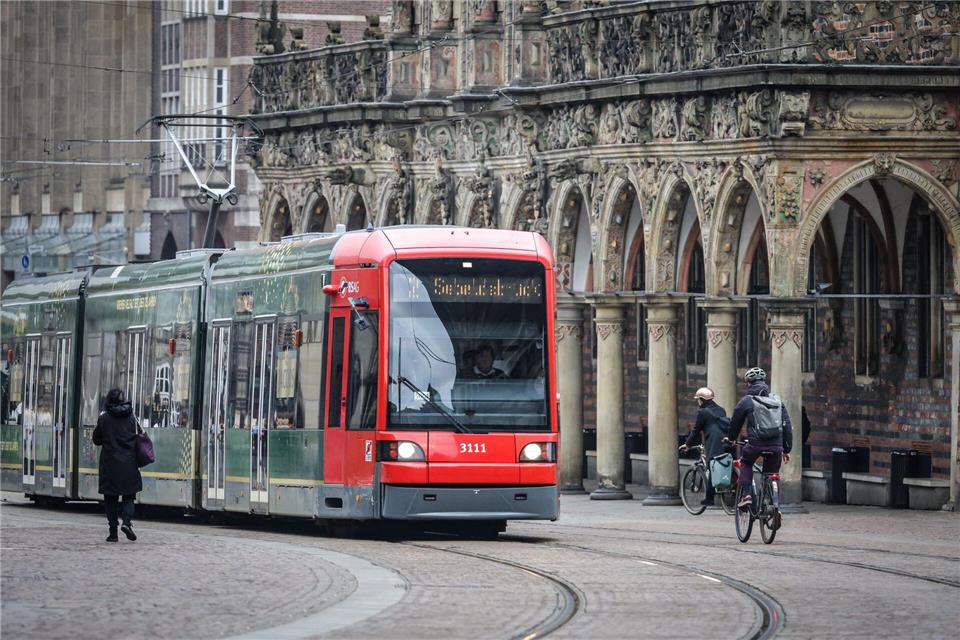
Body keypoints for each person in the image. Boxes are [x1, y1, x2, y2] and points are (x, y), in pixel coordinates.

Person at [724, 367, 793, 509]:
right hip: (776, 446)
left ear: (748, 383)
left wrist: (731, 438)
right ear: (764, 382)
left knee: (746, 463)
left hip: (755, 444)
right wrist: (786, 449)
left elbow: (735, 423)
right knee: (772, 473)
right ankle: (774, 506)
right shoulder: (777, 401)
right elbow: (787, 426)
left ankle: (747, 495)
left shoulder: (747, 401)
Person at [92, 388, 142, 542]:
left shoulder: (104, 419)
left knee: (110, 499)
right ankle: (126, 523)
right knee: (129, 496)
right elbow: (139, 435)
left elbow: (97, 440)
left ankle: (113, 533)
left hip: (110, 463)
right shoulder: (132, 417)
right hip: (129, 463)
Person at [680, 387, 729, 507]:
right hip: (726, 439)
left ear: (702, 400)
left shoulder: (703, 412)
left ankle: (709, 498)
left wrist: (687, 444)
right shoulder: (721, 410)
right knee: (724, 463)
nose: (698, 402)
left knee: (712, 465)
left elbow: (696, 430)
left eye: (698, 399)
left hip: (714, 441)